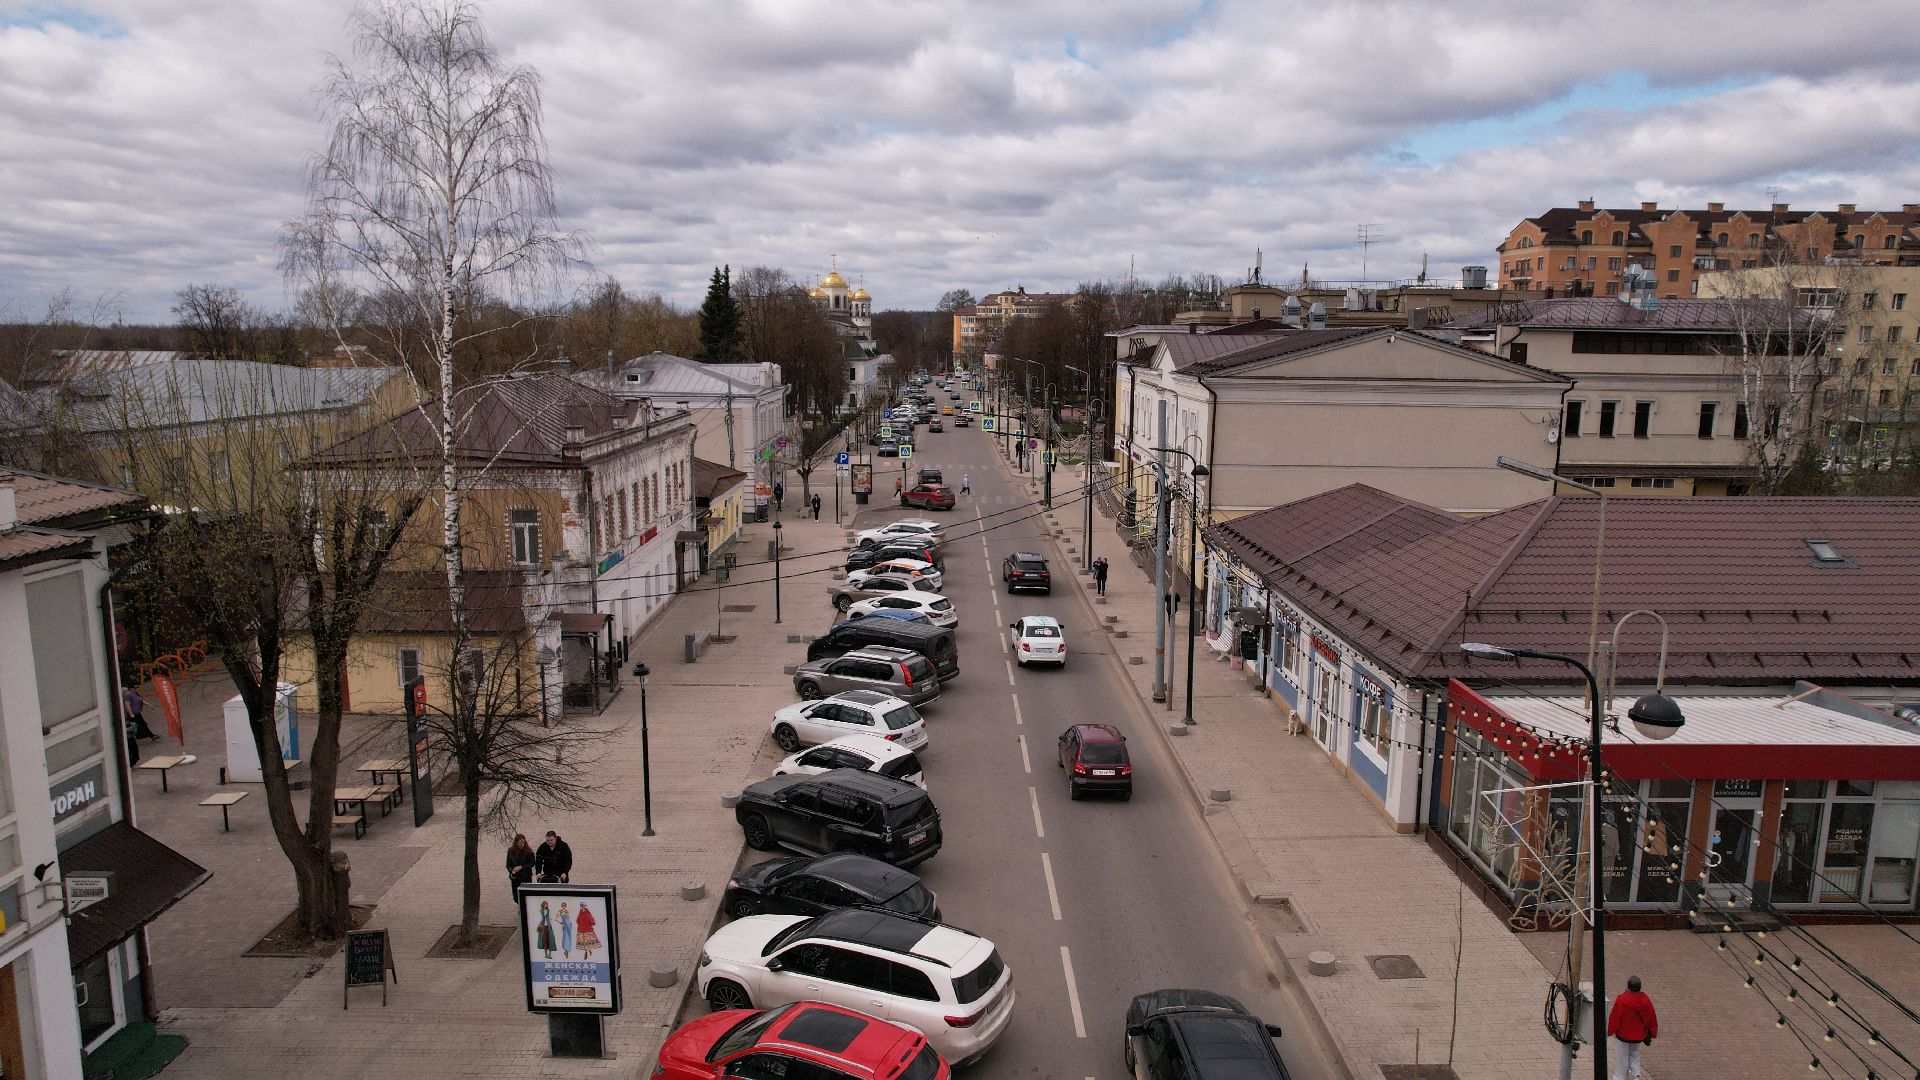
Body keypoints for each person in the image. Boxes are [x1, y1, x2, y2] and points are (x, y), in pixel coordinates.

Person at [1607, 975, 1658, 1080]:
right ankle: (1636, 1073)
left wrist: (1610, 1031)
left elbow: (1615, 1017)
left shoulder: (1622, 999)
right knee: (1633, 1053)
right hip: (1639, 1035)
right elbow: (1651, 1017)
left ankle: (1620, 1077)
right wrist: (1652, 1033)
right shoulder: (1645, 1000)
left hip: (1623, 1035)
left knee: (1622, 1058)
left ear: (1628, 986)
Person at [505, 834, 536, 904]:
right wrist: (511, 871)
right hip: (515, 878)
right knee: (516, 897)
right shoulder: (511, 851)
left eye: (523, 842)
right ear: (516, 843)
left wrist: (521, 867)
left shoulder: (528, 851)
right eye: (520, 842)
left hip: (526, 877)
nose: (522, 844)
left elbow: (532, 863)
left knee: (526, 895)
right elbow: (508, 865)